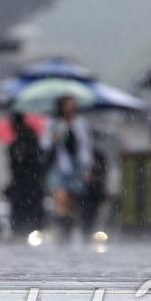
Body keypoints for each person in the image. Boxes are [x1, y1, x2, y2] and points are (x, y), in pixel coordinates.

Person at [42, 95, 92, 241]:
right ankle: (61, 231)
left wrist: (88, 168)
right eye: (67, 105)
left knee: (73, 200)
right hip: (60, 164)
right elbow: (44, 144)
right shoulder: (53, 123)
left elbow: (86, 146)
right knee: (60, 197)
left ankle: (70, 229)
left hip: (77, 165)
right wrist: (53, 138)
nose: (70, 108)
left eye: (72, 105)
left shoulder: (81, 123)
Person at [4, 113, 47, 237]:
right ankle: (27, 229)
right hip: (28, 183)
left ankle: (21, 230)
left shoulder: (22, 142)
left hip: (26, 183)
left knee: (23, 209)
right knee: (28, 209)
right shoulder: (22, 143)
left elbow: (20, 164)